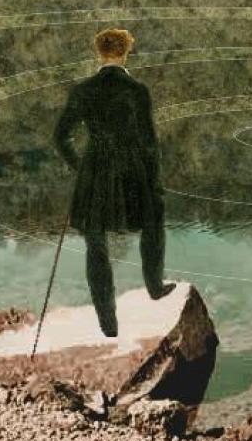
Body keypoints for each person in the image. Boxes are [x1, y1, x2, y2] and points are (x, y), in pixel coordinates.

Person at [53, 27, 174, 337]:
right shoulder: (137, 90)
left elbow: (61, 136)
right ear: (125, 52)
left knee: (96, 244)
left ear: (100, 52)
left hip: (95, 169)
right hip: (132, 169)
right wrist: (154, 181)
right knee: (153, 220)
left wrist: (80, 166)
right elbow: (148, 142)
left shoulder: (83, 90)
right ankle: (155, 286)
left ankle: (108, 324)